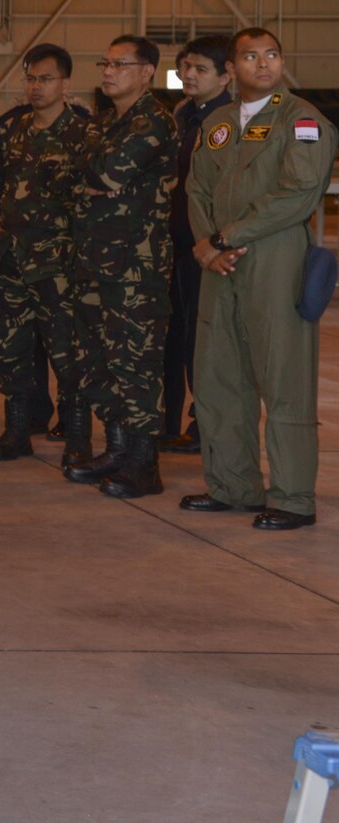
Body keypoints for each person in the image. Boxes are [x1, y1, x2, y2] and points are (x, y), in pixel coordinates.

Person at [182, 27, 337, 530]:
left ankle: (292, 498)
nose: (263, 64)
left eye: (271, 55)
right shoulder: (220, 123)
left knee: (284, 378)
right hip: (219, 263)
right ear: (232, 70)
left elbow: (299, 193)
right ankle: (233, 486)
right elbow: (196, 188)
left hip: (275, 257)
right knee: (219, 374)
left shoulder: (303, 120)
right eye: (250, 57)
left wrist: (226, 237)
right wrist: (207, 244)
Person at [61, 35, 176, 499]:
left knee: (136, 365)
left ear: (146, 72)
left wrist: (96, 177)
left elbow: (105, 174)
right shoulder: (110, 123)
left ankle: (144, 465)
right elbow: (77, 175)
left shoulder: (155, 122)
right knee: (97, 361)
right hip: (94, 263)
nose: (107, 71)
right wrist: (94, 175)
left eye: (119, 64)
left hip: (136, 268)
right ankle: (117, 449)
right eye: (104, 62)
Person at [0, 45, 93, 462]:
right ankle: (16, 431)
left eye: (46, 79)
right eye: (31, 79)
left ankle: (78, 439)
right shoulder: (12, 129)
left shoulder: (83, 135)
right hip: (11, 263)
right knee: (10, 348)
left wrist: (73, 254)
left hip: (58, 266)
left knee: (68, 352)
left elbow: (88, 206)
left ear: (65, 84)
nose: (36, 87)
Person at [162, 35, 233, 454]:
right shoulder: (183, 114)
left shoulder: (225, 121)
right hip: (173, 241)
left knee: (201, 339)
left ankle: (204, 428)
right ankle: (168, 421)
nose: (189, 74)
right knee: (172, 334)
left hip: (203, 246)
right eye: (186, 66)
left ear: (226, 76)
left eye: (201, 68)